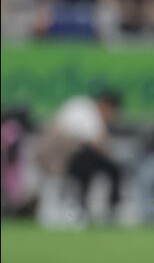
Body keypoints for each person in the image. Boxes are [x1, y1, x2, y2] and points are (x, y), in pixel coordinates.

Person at [34, 88, 124, 222]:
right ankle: (79, 211)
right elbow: (98, 143)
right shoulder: (87, 111)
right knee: (82, 170)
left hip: (59, 154)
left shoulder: (84, 106)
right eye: (112, 112)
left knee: (89, 167)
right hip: (55, 154)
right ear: (105, 105)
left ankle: (84, 209)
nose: (112, 116)